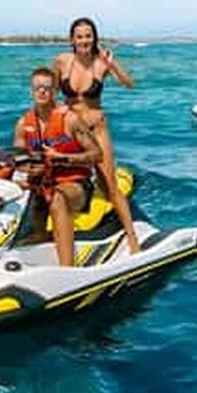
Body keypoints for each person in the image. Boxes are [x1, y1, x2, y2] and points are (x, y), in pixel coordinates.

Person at [52, 17, 139, 253]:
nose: (84, 40)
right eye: (79, 36)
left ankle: (132, 238)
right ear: (72, 39)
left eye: (88, 35)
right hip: (71, 130)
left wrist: (113, 66)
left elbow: (130, 84)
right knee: (54, 178)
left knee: (109, 183)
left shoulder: (102, 62)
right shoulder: (62, 61)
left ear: (94, 37)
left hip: (97, 129)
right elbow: (50, 91)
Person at [13, 67, 102, 266]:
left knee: (57, 198)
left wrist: (63, 158)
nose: (42, 91)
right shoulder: (22, 124)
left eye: (48, 87)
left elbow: (97, 154)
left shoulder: (70, 120)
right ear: (31, 91)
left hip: (76, 185)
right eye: (38, 87)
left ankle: (67, 268)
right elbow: (19, 162)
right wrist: (27, 170)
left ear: (55, 91)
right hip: (42, 184)